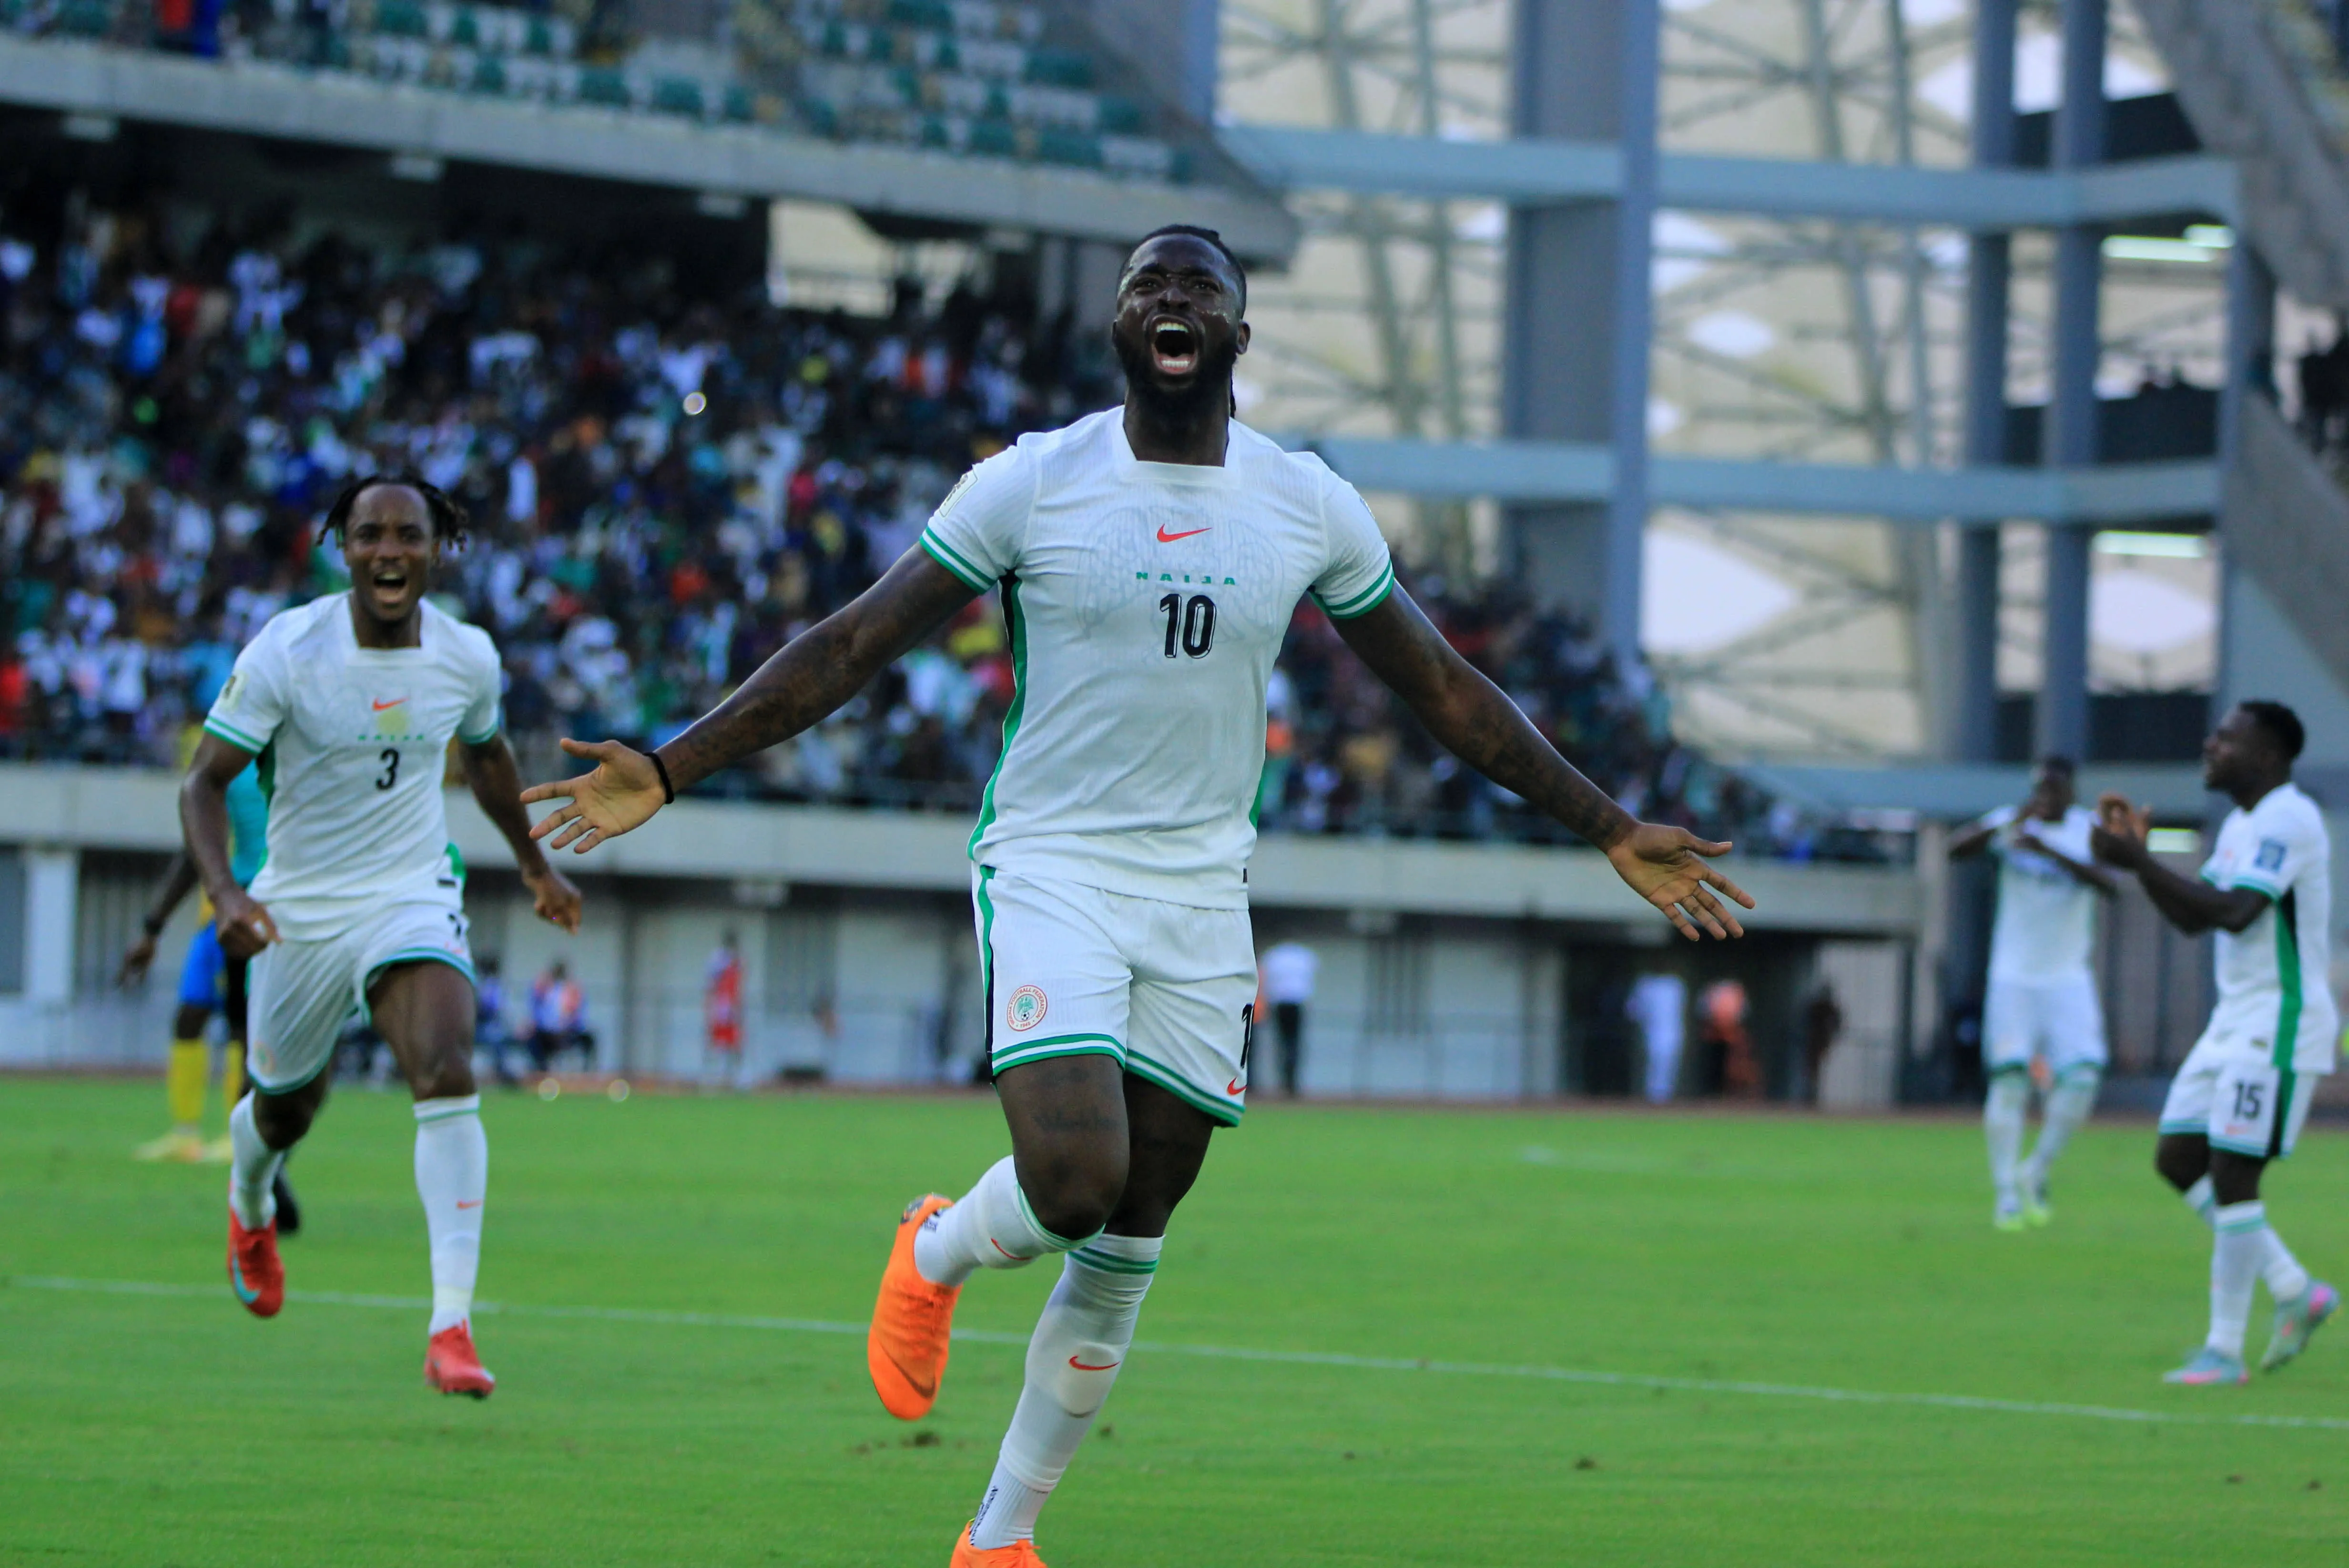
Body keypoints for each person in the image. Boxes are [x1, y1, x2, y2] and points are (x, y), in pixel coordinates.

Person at [520, 224, 1753, 1567]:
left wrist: (1605, 824)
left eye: (1199, 288)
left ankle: (999, 1537)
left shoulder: (1304, 502)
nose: (1172, 301)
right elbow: (855, 641)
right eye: (1145, 286)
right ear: (1117, 328)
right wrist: (677, 761)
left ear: (1237, 332)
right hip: (1053, 864)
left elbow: (1445, 690)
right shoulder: (1032, 483)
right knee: (1073, 1177)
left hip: (1200, 894)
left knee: (1133, 1228)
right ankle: (934, 1250)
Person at [185, 475, 582, 1398]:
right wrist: (225, 893)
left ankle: (451, 1323)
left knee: (445, 1065)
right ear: (341, 545)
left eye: (409, 535)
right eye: (370, 535)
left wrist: (533, 864)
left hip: (410, 890)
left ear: (441, 546)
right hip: (302, 904)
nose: (389, 551)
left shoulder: (466, 657)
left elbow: (485, 754)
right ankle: (248, 1201)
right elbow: (201, 784)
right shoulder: (288, 649)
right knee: (284, 1107)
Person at [2091, 701, 2338, 1385]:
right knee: (2176, 1157)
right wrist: (2139, 865)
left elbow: (2235, 912)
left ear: (2266, 757)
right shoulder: (2238, 824)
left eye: (2226, 739)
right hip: (2236, 1017)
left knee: (2233, 1174)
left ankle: (2224, 1350)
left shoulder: (2290, 816)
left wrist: (2139, 856)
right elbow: (2197, 919)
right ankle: (2293, 1288)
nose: (2210, 745)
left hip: (2279, 1018)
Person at [1949, 756, 2116, 1229]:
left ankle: (2037, 1165)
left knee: (2083, 1076)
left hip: (2067, 975)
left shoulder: (2088, 831)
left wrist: (2049, 851)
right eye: (2039, 788)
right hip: (2014, 976)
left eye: (2054, 789)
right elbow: (1954, 849)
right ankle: (2004, 1190)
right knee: (2010, 1079)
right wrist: (2012, 825)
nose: (2046, 797)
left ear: (2071, 790)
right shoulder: (2010, 823)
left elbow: (2112, 885)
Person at [119, 760, 269, 1164]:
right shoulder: (228, 770)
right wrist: (153, 928)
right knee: (190, 1015)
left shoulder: (277, 761)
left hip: (260, 904)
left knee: (244, 1025)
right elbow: (196, 851)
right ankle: (185, 1134)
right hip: (222, 911)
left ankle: (239, 1135)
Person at [1257, 938, 1317, 1096]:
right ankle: (1291, 1084)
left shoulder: (1273, 955)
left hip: (1280, 1003)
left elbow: (1268, 980)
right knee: (1294, 1044)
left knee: (1283, 1044)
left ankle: (1285, 1082)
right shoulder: (1305, 955)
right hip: (1296, 1003)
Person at [1625, 970, 1686, 1105]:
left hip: (1673, 1030)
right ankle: (1654, 1099)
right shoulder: (1646, 985)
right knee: (1655, 1063)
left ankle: (1665, 1097)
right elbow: (1633, 1011)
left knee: (1669, 1064)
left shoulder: (1675, 985)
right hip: (1653, 1031)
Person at [528, 960, 595, 1071]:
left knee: (589, 1039)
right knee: (533, 1040)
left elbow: (578, 1015)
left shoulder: (571, 990)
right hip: (548, 1033)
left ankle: (586, 1073)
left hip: (567, 1031)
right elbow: (537, 1013)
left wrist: (568, 1024)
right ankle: (541, 1070)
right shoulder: (545, 990)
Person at [705, 931, 745, 1089]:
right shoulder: (718, 959)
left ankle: (735, 1078)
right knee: (719, 1042)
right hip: (722, 1007)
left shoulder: (738, 960)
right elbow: (711, 984)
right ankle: (716, 1078)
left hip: (733, 1007)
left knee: (736, 1043)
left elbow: (739, 987)